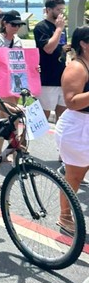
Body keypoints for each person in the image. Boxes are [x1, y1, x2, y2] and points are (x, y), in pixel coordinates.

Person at [55, 25, 89, 236]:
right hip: (77, 127)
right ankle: (65, 216)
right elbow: (72, 102)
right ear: (84, 44)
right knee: (75, 177)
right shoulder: (76, 67)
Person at [0, 9, 24, 156]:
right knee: (12, 115)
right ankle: (12, 151)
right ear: (5, 24)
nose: (16, 27)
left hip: (16, 81)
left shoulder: (18, 41)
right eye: (13, 24)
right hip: (1, 81)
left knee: (5, 117)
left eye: (18, 25)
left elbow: (21, 61)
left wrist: (33, 67)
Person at [35, 0, 68, 121]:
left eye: (62, 10)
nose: (61, 13)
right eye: (58, 10)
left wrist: (68, 49)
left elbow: (61, 46)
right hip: (47, 78)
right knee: (44, 114)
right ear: (49, 10)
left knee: (63, 113)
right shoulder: (41, 27)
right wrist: (58, 29)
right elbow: (48, 49)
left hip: (62, 76)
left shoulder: (61, 28)